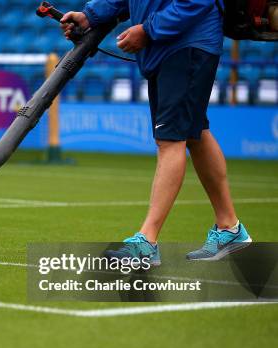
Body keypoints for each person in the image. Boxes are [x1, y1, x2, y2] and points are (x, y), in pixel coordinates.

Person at [60, 0, 252, 263]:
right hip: (168, 46)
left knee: (170, 140)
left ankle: (147, 241)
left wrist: (148, 30)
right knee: (195, 133)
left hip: (186, 43)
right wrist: (89, 15)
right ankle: (230, 227)